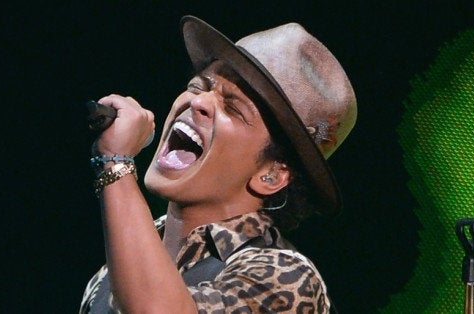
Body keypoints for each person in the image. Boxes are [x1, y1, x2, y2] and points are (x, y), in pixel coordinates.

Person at [80, 15, 356, 313]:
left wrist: (116, 164)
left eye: (234, 108)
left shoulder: (287, 279)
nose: (198, 101)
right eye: (199, 86)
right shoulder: (112, 270)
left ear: (272, 173)